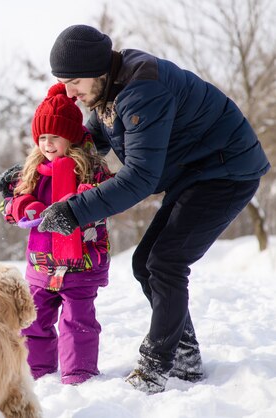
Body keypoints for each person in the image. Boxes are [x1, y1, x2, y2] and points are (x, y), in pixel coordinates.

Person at [28, 24, 270, 393]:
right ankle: (184, 360)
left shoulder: (142, 92)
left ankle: (156, 365)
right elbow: (83, 143)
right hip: (196, 172)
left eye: (73, 81)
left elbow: (140, 177)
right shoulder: (110, 90)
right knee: (146, 263)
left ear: (96, 69)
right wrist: (31, 170)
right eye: (64, 83)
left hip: (227, 171)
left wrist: (74, 211)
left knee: (165, 262)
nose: (70, 92)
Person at [0, 83, 113, 385]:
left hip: (81, 265)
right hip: (41, 266)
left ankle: (79, 375)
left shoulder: (90, 169)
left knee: (78, 322)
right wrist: (24, 205)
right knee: (33, 322)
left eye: (55, 137)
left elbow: (110, 195)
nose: (48, 144)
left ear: (71, 137)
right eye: (42, 137)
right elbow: (8, 205)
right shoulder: (32, 172)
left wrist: (87, 198)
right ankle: (36, 373)